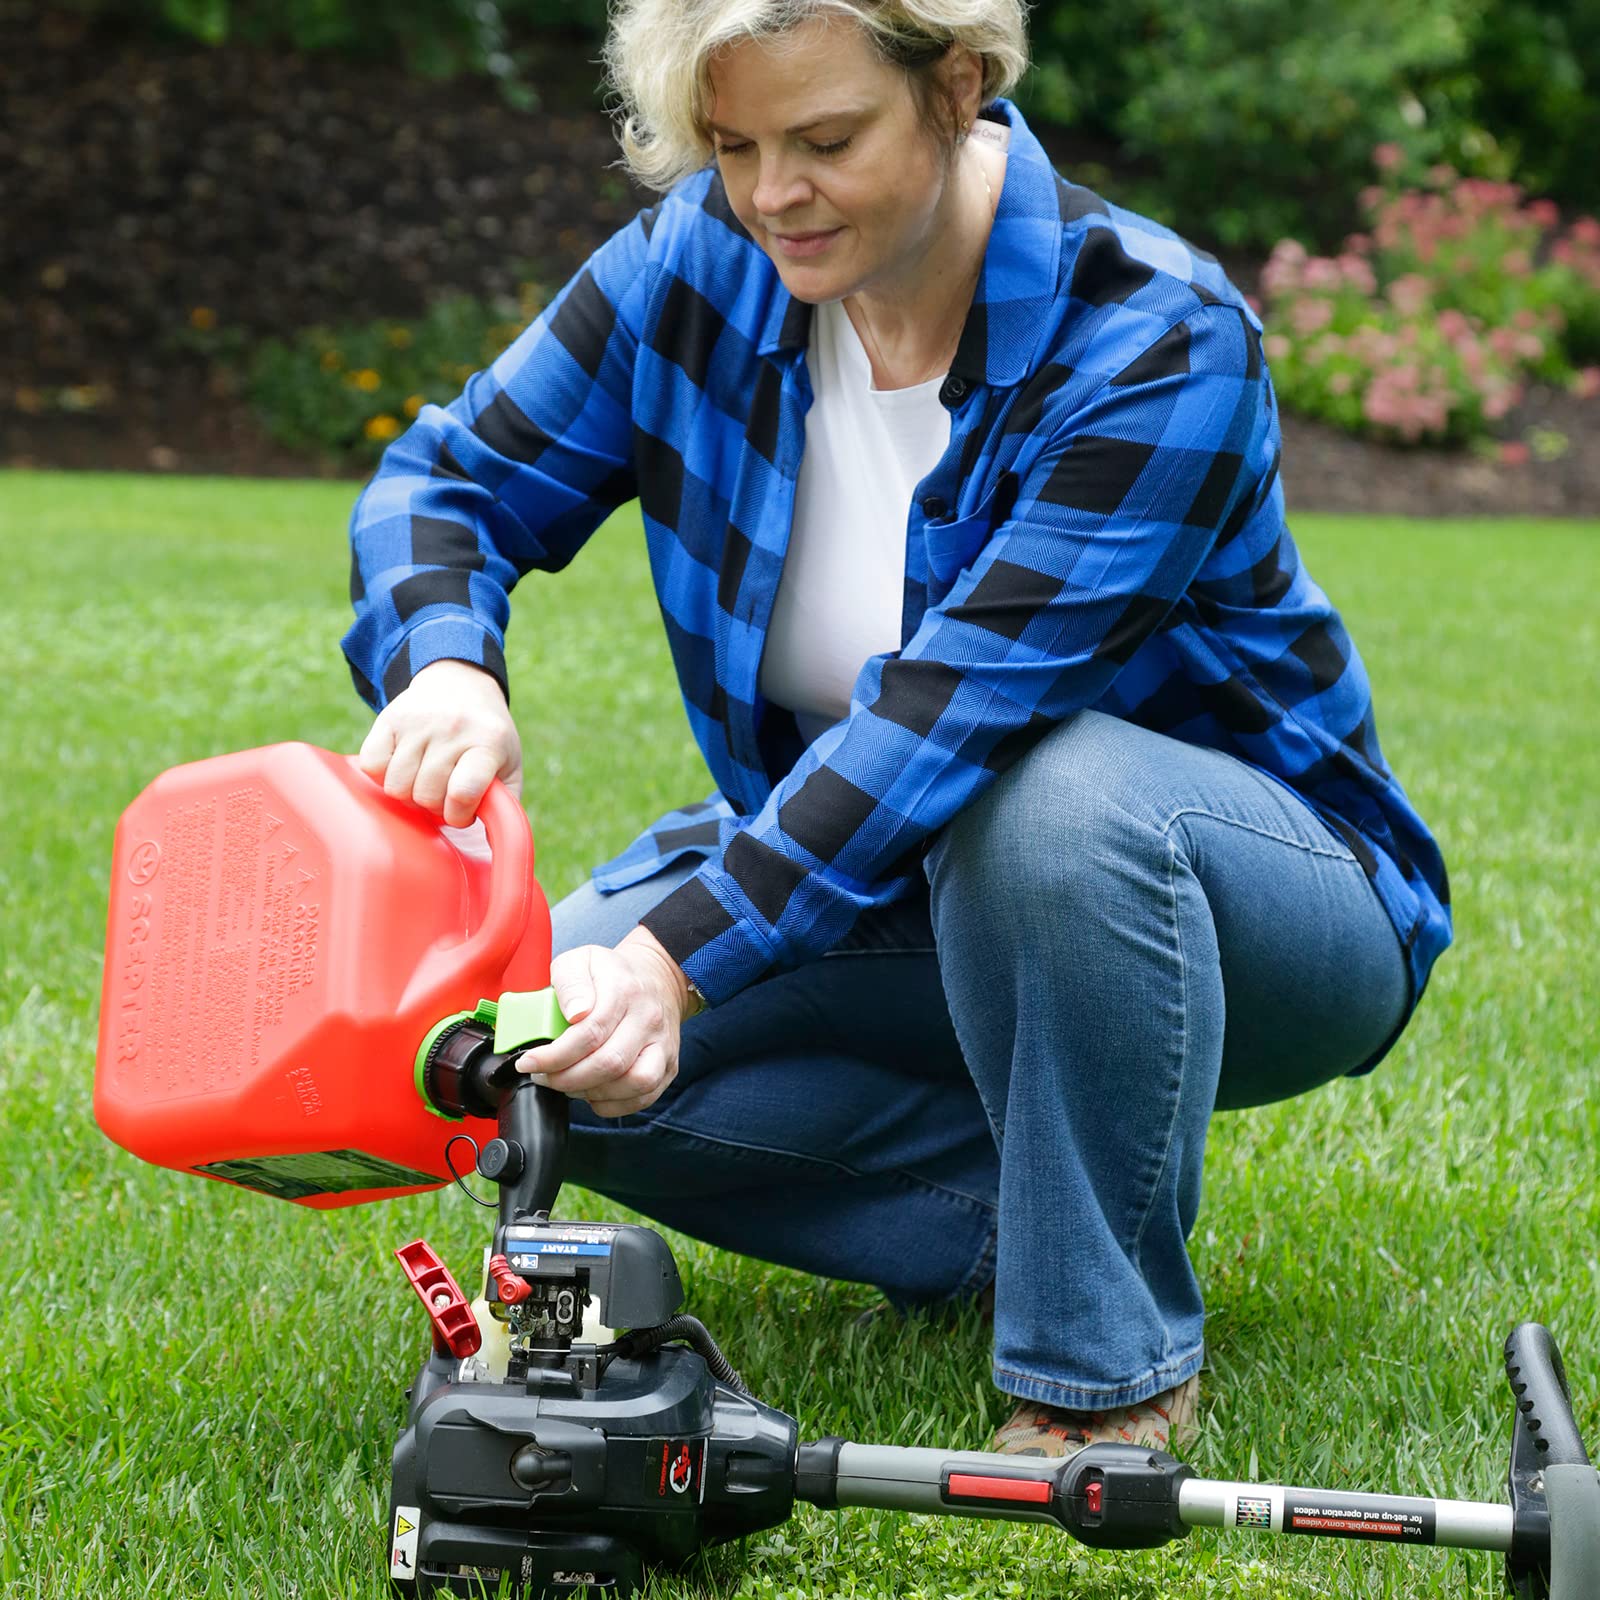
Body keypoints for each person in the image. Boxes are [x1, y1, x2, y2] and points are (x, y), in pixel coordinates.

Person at [344, 0, 1451, 1459]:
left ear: (960, 86)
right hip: (885, 882)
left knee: (1044, 803)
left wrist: (674, 964)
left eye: (825, 140)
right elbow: (449, 480)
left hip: (1258, 903)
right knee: (522, 1055)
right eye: (731, 145)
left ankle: (1100, 1382)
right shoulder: (700, 267)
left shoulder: (1155, 338)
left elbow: (946, 725)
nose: (769, 196)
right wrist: (445, 665)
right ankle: (1021, 1219)